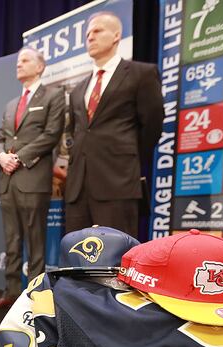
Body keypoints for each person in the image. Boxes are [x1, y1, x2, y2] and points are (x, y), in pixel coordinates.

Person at [64, 11, 164, 237]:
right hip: (78, 188)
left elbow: (152, 124)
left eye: (97, 31)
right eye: (88, 33)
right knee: (76, 257)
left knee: (115, 258)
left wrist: (125, 161)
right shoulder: (79, 88)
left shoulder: (141, 74)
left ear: (116, 36)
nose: (90, 37)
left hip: (117, 182)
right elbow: (76, 131)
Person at [0, 47, 65, 310]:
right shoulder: (11, 104)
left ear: (40, 66)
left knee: (35, 242)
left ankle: (34, 297)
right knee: (11, 241)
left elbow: (52, 134)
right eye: (18, 60)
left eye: (25, 60)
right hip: (8, 179)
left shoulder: (54, 96)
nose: (19, 64)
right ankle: (10, 293)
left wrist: (18, 157)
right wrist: (0, 157)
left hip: (32, 177)